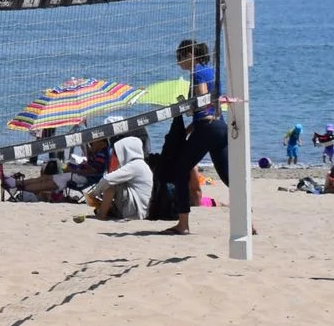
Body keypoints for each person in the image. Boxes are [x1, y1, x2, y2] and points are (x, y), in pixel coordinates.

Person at [162, 41, 233, 234]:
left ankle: (183, 224)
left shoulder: (198, 72)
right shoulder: (210, 71)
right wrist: (188, 129)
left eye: (180, 57)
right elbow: (210, 107)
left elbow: (202, 101)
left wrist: (188, 106)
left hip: (207, 128)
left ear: (190, 55)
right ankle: (248, 222)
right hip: (219, 126)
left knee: (179, 170)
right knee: (228, 177)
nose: (178, 62)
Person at [84, 132, 152, 221]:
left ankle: (101, 214)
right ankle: (108, 209)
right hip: (137, 210)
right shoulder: (140, 165)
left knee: (111, 184)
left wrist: (93, 194)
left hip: (135, 212)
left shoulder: (135, 165)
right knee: (114, 181)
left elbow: (107, 179)